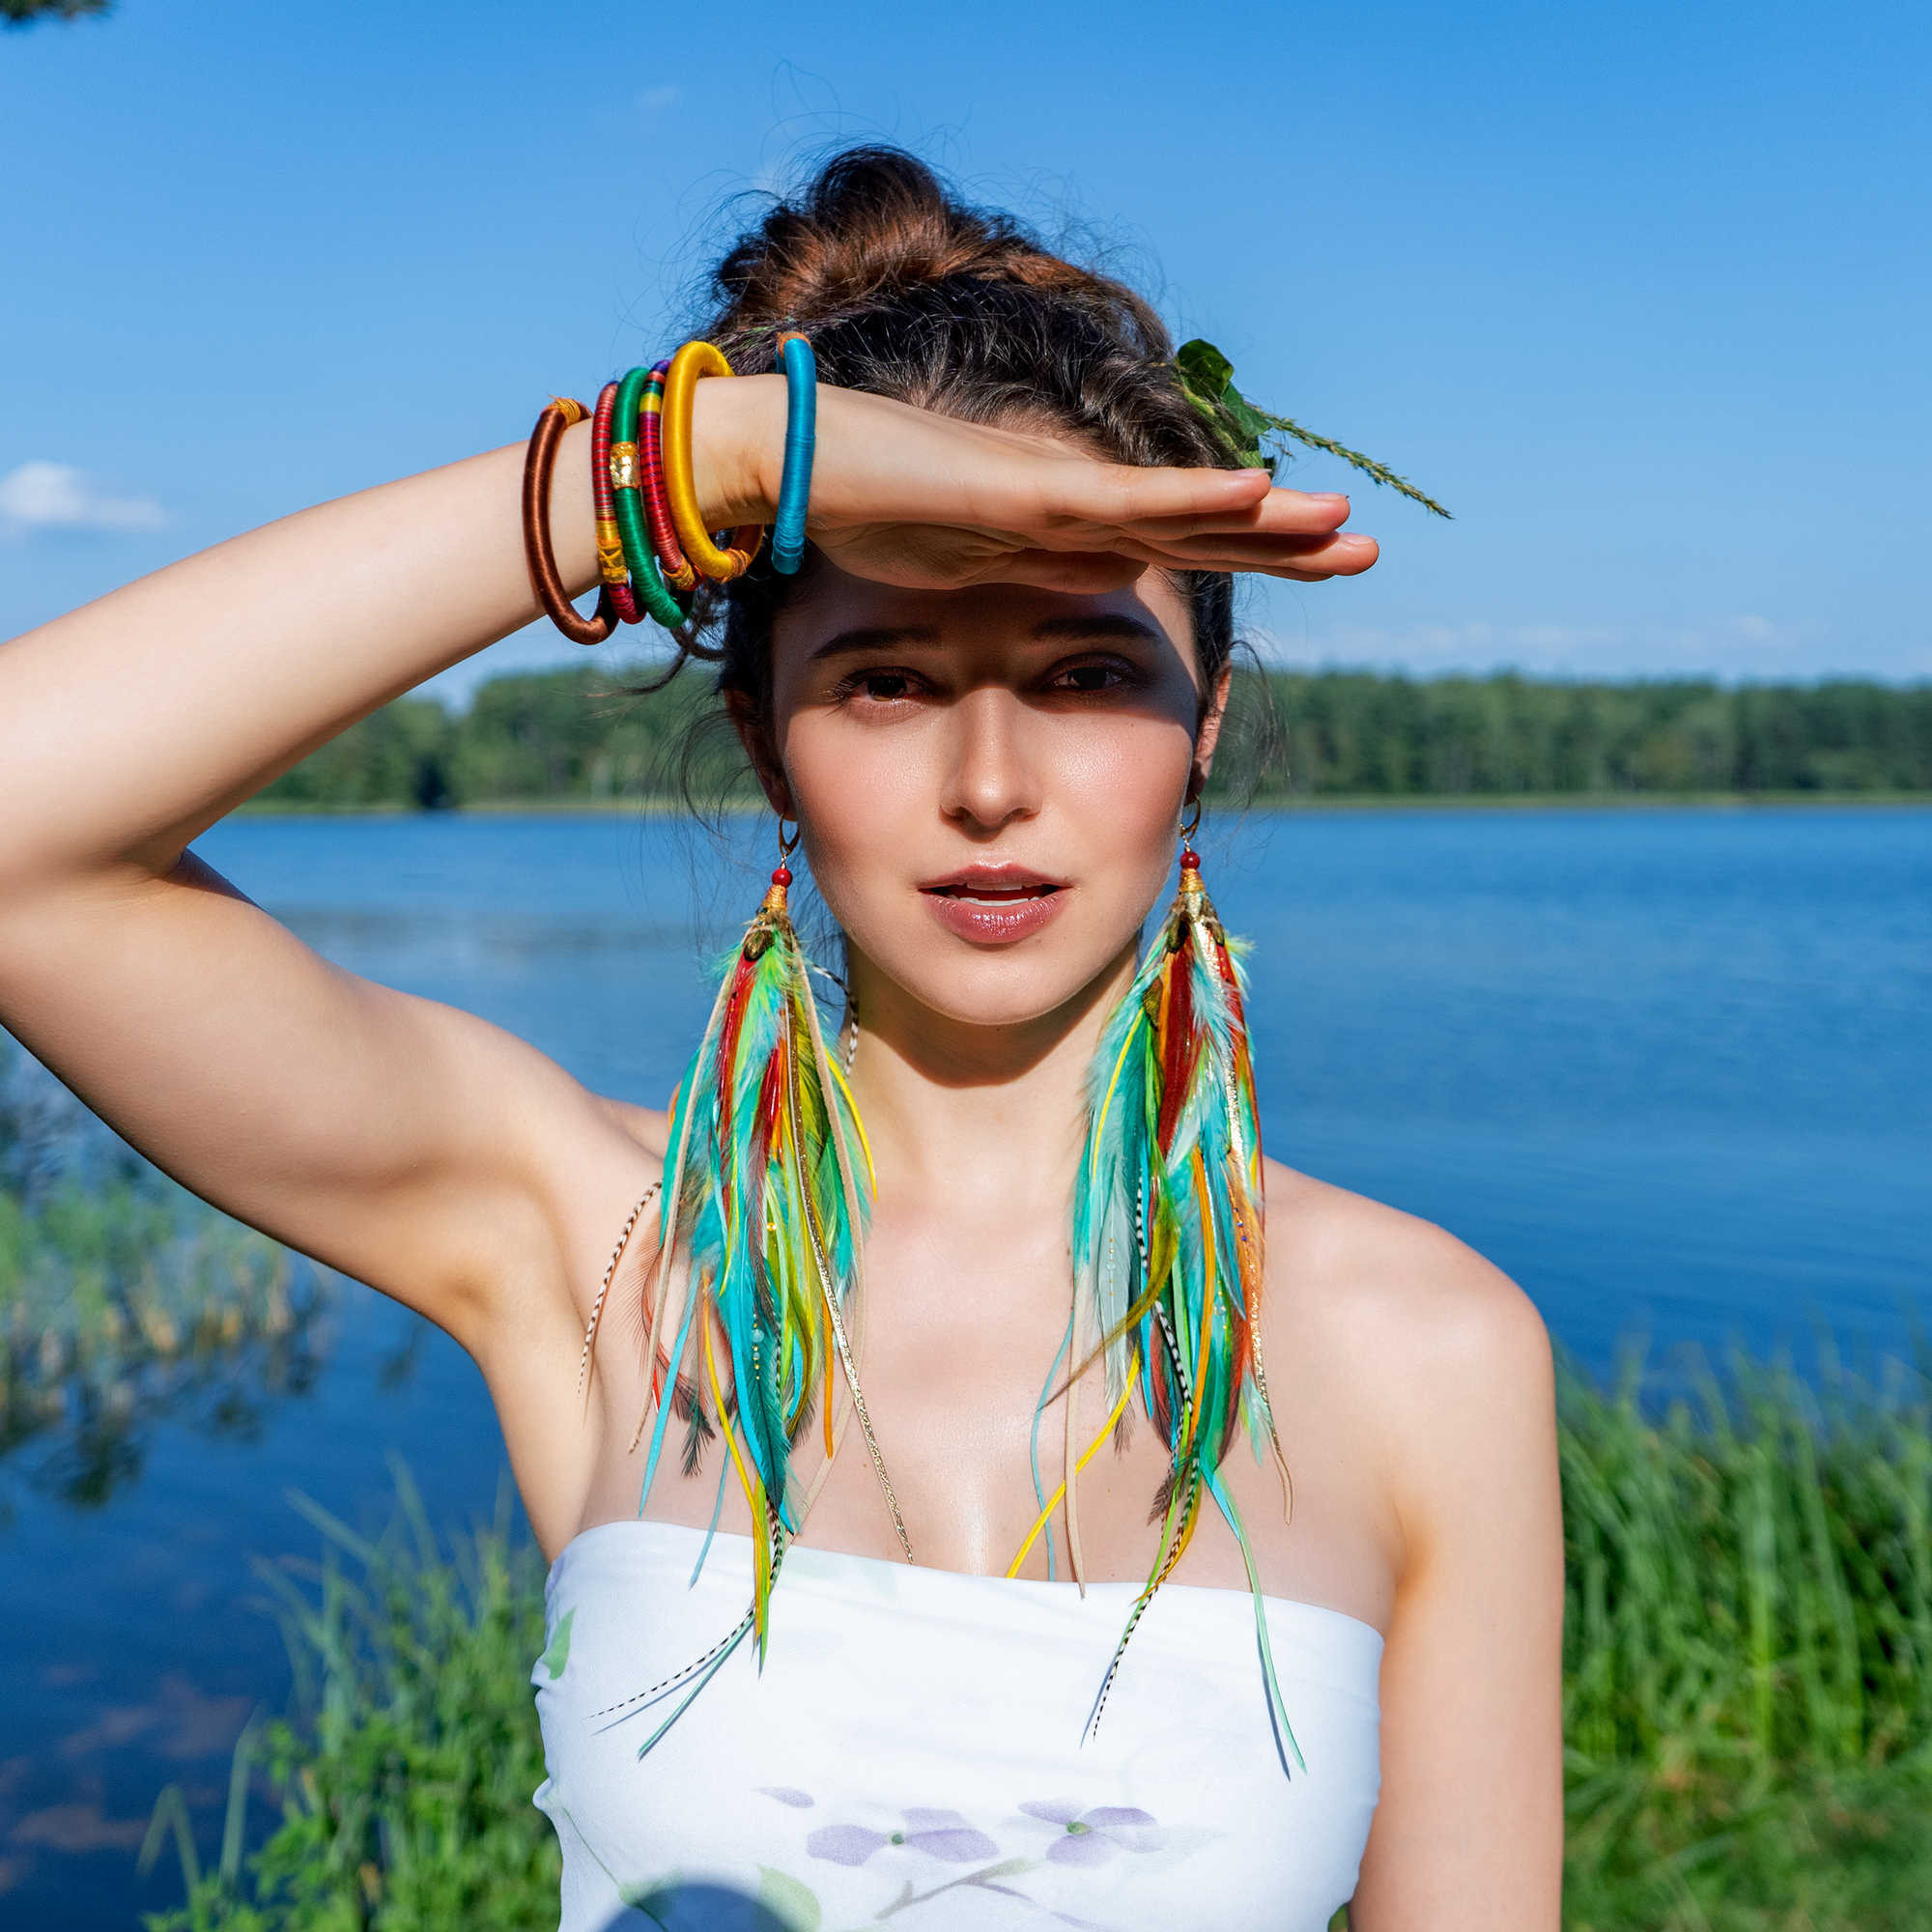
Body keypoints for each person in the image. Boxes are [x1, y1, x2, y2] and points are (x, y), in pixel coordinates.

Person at [0, 150, 1561, 1929]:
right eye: (885, 677)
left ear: (1203, 718)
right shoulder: (598, 1245)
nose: (990, 788)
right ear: (764, 735)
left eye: (1082, 673)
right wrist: (714, 461)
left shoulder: (1430, 1352)